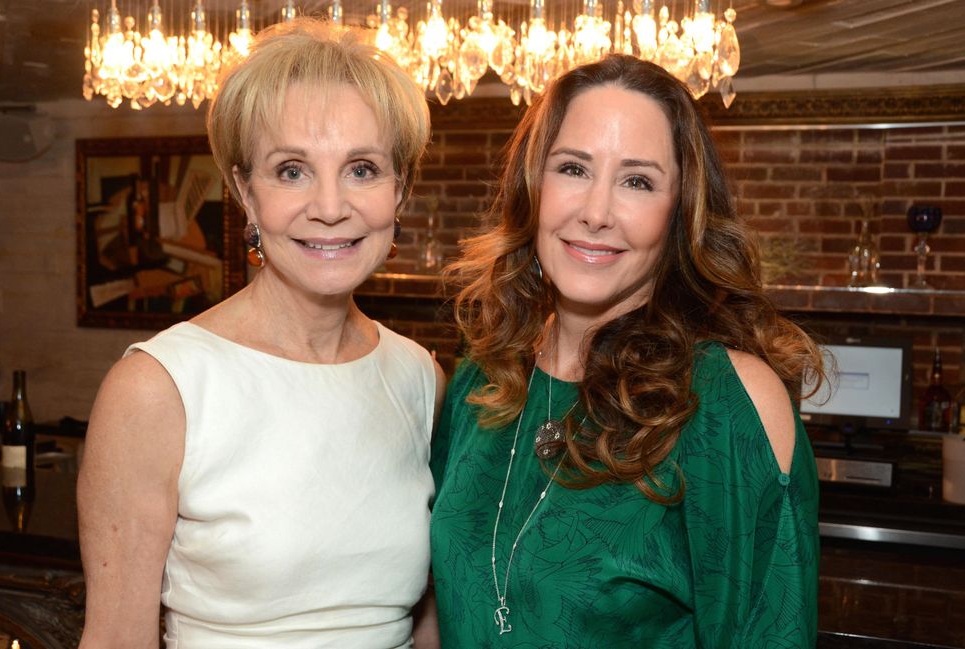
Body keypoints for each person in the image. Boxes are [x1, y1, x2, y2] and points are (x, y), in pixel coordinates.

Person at [430, 54, 825, 648]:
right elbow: (437, 612)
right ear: (532, 187)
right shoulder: (482, 380)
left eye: (637, 181)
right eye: (572, 169)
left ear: (680, 213)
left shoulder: (726, 404)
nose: (595, 213)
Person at [78, 19, 443, 648]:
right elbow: (116, 639)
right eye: (292, 171)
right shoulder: (159, 389)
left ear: (400, 190)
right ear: (245, 192)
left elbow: (428, 620)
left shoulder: (421, 380)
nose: (330, 207)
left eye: (362, 169)